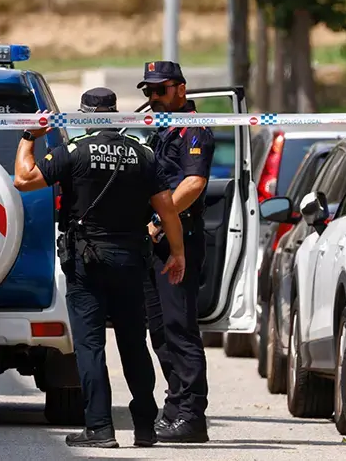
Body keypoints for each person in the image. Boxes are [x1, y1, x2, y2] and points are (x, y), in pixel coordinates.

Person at [12, 87, 187, 449]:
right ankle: (144, 427)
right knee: (134, 345)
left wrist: (29, 137)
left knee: (90, 346)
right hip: (130, 259)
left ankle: (100, 429)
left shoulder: (74, 151)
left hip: (86, 260)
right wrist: (178, 253)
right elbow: (168, 209)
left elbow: (23, 180)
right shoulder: (143, 154)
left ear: (85, 114)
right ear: (115, 111)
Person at [138, 61, 215, 443]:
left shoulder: (193, 129)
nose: (152, 98)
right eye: (148, 91)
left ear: (181, 89)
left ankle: (191, 415)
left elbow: (195, 182)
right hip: (155, 241)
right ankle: (175, 407)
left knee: (180, 329)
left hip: (177, 237)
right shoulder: (158, 129)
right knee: (159, 330)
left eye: (160, 90)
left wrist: (156, 221)